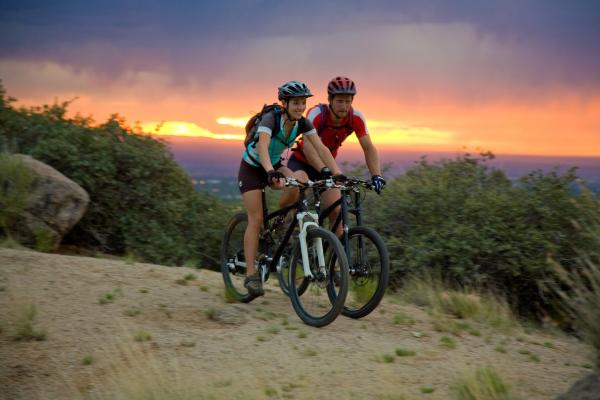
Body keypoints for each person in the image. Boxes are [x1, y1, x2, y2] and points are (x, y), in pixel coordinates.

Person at [238, 80, 343, 297]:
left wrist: (336, 173)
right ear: (284, 103)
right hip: (253, 167)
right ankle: (250, 275)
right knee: (256, 220)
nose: (300, 107)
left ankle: (283, 222)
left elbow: (321, 148)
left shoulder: (302, 123)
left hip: (274, 165)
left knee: (301, 180)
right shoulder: (271, 118)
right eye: (295, 103)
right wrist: (269, 171)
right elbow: (263, 147)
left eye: (303, 103)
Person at [284, 76, 386, 236]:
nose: (344, 106)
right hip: (302, 162)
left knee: (337, 211)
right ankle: (282, 221)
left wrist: (376, 175)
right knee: (297, 186)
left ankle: (336, 259)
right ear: (330, 100)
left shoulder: (356, 118)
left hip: (327, 167)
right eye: (340, 101)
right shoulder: (316, 114)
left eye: (348, 101)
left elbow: (369, 148)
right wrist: (324, 170)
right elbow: (310, 149)